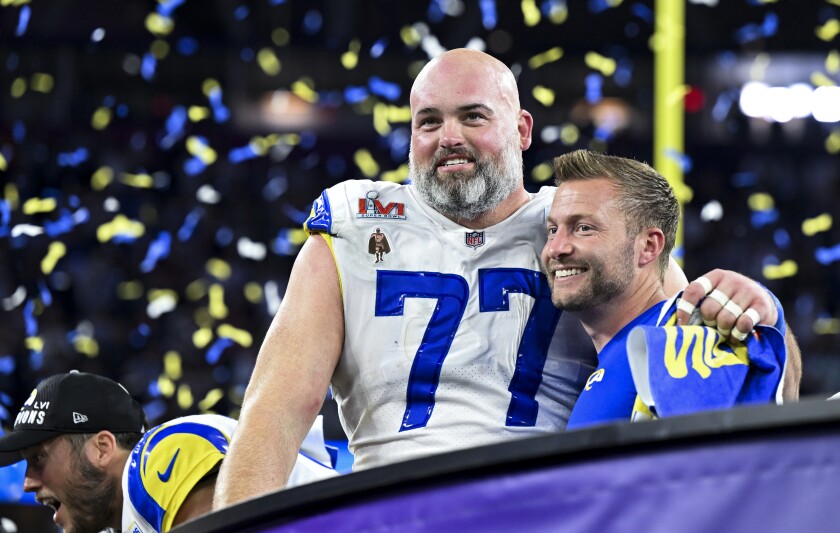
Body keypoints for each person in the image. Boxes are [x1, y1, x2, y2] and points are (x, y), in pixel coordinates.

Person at [214, 48, 800, 507]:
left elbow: (716, 354)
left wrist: (761, 314)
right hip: (390, 504)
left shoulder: (578, 227)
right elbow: (278, 405)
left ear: (521, 129)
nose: (449, 137)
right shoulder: (355, 223)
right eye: (429, 122)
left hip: (544, 507)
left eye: (473, 116)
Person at [541, 150, 788, 429]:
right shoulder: (616, 359)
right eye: (552, 230)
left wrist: (770, 315)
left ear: (648, 247)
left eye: (583, 228)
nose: (555, 248)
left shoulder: (685, 339)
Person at [0, 371, 336, 533]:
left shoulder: (157, 457)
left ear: (103, 448)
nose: (28, 482)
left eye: (39, 458)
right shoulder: (138, 512)